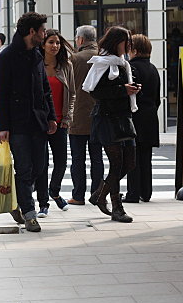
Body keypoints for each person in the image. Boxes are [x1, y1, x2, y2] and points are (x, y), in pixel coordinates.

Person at [0, 12, 56, 232]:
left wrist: (51, 116)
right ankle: (29, 214)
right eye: (42, 31)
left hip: (38, 120)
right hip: (17, 123)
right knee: (25, 168)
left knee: (39, 167)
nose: (44, 34)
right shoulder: (6, 56)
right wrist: (2, 126)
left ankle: (19, 201)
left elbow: (45, 88)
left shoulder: (37, 55)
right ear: (32, 32)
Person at [83, 26, 140, 223]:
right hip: (107, 118)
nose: (129, 46)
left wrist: (130, 89)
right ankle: (116, 206)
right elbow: (94, 92)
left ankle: (100, 194)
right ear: (116, 42)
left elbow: (117, 89)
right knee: (116, 164)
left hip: (123, 117)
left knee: (129, 162)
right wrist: (122, 89)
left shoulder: (122, 63)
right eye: (127, 42)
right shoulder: (103, 63)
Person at [35, 29, 75, 217]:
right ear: (43, 44)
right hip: (40, 123)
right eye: (51, 42)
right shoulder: (35, 65)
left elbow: (72, 94)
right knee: (41, 164)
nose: (55, 46)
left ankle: (54, 191)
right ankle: (43, 203)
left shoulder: (66, 66)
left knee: (61, 162)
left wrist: (68, 117)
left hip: (61, 122)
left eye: (57, 43)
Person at [68, 25, 104, 205]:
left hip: (78, 115)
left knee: (78, 159)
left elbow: (69, 87)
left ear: (80, 40)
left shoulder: (75, 59)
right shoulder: (104, 58)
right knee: (97, 158)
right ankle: (97, 194)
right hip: (99, 115)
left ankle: (78, 195)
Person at [126, 34, 161, 203]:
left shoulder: (131, 68)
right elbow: (157, 98)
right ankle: (146, 192)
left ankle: (133, 193)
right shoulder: (153, 69)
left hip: (135, 117)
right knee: (146, 157)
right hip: (150, 117)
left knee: (133, 157)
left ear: (134, 50)